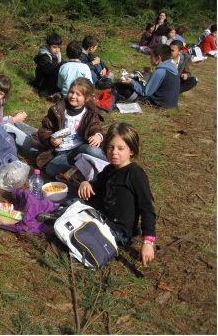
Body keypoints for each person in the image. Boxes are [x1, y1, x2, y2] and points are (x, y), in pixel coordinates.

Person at [78, 122, 156, 266]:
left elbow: (147, 208)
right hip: (102, 217)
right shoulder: (109, 169)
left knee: (80, 233)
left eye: (121, 148)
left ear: (131, 151)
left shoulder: (135, 174)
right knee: (73, 205)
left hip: (119, 231)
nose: (114, 152)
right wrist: (86, 183)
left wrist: (148, 242)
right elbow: (96, 186)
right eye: (110, 147)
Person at [36, 78, 106, 178]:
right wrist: (51, 140)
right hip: (63, 152)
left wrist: (98, 136)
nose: (73, 96)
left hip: (81, 148)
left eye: (78, 94)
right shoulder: (57, 110)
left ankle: (110, 166)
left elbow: (95, 127)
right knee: (51, 169)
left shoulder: (89, 113)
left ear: (86, 98)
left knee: (93, 151)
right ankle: (81, 169)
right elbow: (44, 130)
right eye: (71, 92)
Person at [0, 75, 40, 152]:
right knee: (8, 124)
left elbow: (0, 119)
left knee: (9, 118)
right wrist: (14, 119)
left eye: (0, 93)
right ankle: (35, 144)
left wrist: (13, 120)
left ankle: (37, 132)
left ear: (4, 95)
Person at [121, 43, 180, 108]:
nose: (150, 58)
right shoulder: (173, 67)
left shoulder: (160, 72)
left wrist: (131, 82)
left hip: (160, 104)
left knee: (127, 91)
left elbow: (145, 92)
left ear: (158, 58)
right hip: (172, 103)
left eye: (152, 56)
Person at [31, 31, 63, 95]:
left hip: (51, 80)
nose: (57, 50)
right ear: (48, 46)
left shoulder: (57, 54)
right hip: (42, 82)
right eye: (54, 47)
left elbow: (61, 63)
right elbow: (51, 71)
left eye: (59, 47)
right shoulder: (44, 57)